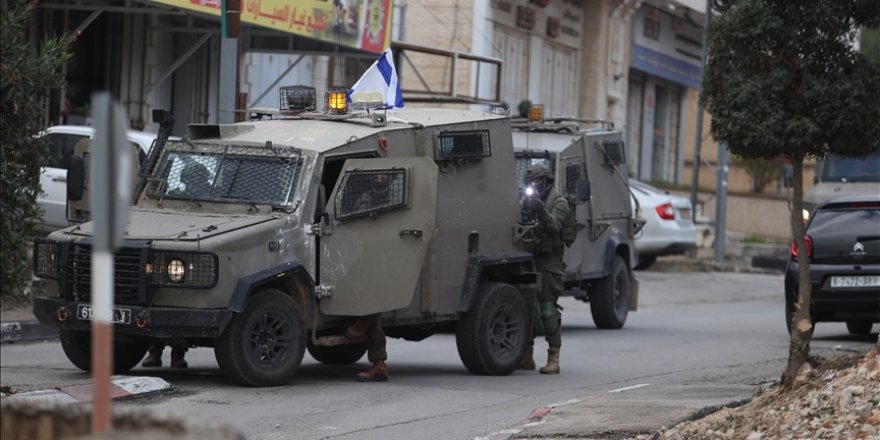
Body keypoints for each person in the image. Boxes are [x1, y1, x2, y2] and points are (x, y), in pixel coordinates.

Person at [519, 164, 570, 374]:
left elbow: (555, 226)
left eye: (538, 182)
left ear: (547, 182)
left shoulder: (559, 202)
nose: (534, 186)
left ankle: (554, 358)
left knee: (548, 312)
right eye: (530, 183)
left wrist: (540, 209)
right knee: (527, 310)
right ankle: (526, 356)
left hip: (550, 262)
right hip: (530, 257)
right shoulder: (527, 202)